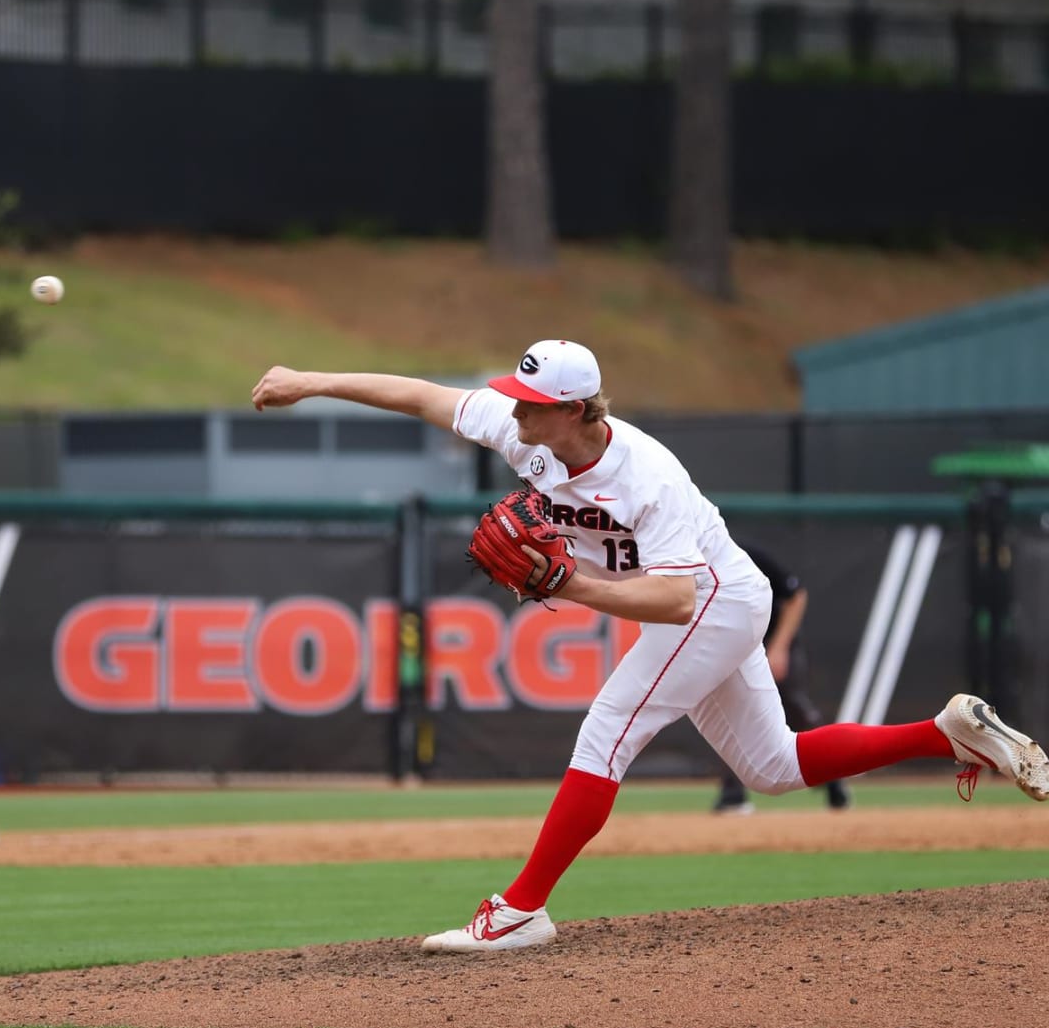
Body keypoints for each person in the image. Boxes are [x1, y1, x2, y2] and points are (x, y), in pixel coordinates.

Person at [252, 339, 1048, 953]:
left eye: (531, 403)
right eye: (516, 399)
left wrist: (569, 589)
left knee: (607, 729)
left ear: (578, 411)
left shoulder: (647, 476)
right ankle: (945, 733)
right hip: (704, 601)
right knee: (772, 768)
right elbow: (424, 396)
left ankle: (520, 910)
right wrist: (312, 381)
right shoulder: (525, 430)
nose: (514, 412)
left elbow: (674, 597)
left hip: (714, 600)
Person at [710, 542, 849, 814]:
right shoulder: (693, 561)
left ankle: (833, 776)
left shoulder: (746, 554)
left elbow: (796, 596)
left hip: (774, 643)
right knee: (730, 712)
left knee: (797, 714)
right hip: (738, 645)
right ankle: (733, 792)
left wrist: (779, 647)